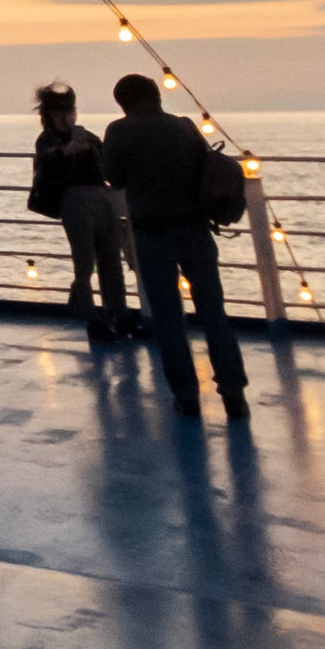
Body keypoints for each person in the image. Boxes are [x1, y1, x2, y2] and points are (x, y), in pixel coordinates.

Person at [101, 73, 246, 419]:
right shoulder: (184, 126)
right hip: (195, 230)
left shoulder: (119, 131)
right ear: (157, 96)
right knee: (214, 312)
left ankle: (186, 396)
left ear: (123, 103)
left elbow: (114, 177)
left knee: (168, 318)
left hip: (152, 233)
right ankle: (233, 394)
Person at [26, 85, 134, 343]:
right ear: (49, 114)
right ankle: (92, 317)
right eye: (61, 112)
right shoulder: (49, 140)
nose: (67, 116)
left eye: (69, 110)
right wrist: (67, 151)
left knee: (110, 259)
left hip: (100, 197)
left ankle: (118, 314)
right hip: (74, 199)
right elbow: (47, 166)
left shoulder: (87, 136)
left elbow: (107, 164)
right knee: (85, 261)